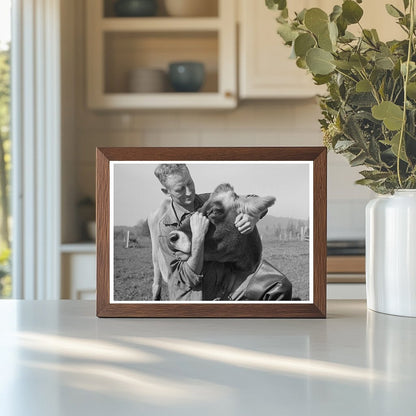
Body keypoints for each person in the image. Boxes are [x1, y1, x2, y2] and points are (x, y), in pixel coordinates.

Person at [147, 164, 261, 301]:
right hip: (195, 299)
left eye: (190, 182)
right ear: (166, 192)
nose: (189, 192)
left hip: (225, 289)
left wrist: (253, 215)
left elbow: (252, 198)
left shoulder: (209, 201)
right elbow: (186, 279)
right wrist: (197, 238)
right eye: (180, 189)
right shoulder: (166, 228)